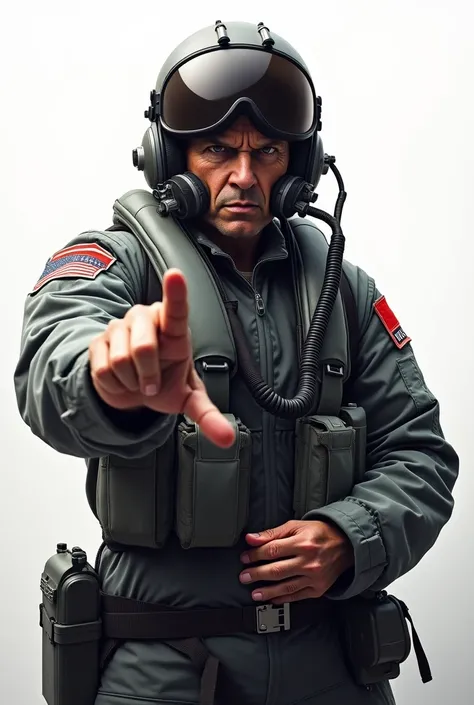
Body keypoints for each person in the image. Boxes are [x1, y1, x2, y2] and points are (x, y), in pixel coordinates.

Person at [14, 19, 458, 705]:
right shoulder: (116, 263)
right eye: (218, 149)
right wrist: (109, 379)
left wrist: (351, 536)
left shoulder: (343, 289)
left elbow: (422, 455)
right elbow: (51, 362)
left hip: (333, 667)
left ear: (299, 166)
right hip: (163, 672)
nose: (244, 176)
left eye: (268, 152)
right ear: (172, 158)